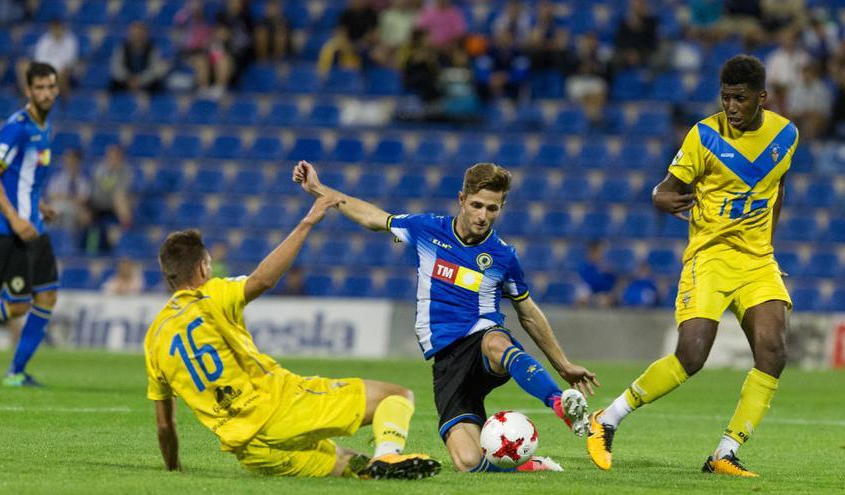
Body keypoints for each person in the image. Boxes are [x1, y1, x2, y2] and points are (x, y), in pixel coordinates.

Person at [293, 160, 599, 473]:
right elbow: (373, 217)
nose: (483, 216)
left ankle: (560, 404)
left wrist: (563, 364)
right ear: (461, 200)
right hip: (447, 362)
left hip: (481, 340)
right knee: (467, 462)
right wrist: (320, 190)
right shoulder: (427, 230)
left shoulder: (503, 256)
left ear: (501, 207)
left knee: (494, 341)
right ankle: (530, 466)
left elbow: (528, 312)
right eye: (477, 205)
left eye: (492, 209)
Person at [587, 55, 797, 477]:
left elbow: (779, 187)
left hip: (757, 262)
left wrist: (768, 247)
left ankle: (725, 452)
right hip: (710, 257)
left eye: (740, 99)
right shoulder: (704, 136)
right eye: (725, 99)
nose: (731, 107)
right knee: (692, 354)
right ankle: (606, 419)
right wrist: (660, 198)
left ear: (762, 98)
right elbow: (665, 189)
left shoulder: (786, 135)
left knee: (773, 352)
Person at [144, 196, 440, 479]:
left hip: (253, 452)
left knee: (356, 467)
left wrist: (174, 471)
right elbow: (263, 279)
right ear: (202, 268)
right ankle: (388, 453)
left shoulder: (154, 339)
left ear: (167, 275)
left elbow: (163, 424)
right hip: (281, 407)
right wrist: (307, 223)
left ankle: (376, 466)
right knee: (397, 396)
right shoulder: (211, 295)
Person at [0, 62, 61, 386]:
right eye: (40, 88)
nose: (46, 93)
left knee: (47, 296)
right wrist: (15, 216)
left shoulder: (45, 127)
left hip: (35, 226)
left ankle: (16, 373)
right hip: (11, 230)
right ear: (28, 90)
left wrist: (38, 206)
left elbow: (22, 179)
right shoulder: (17, 127)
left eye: (51, 86)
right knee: (17, 306)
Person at [83, 144, 133, 255]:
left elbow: (122, 189)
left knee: (120, 199)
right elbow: (95, 189)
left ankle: (126, 232)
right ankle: (89, 247)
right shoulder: (99, 169)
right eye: (110, 156)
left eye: (116, 156)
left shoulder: (125, 171)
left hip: (114, 204)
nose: (113, 159)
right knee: (84, 216)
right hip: (98, 203)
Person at [110, 21, 168, 93]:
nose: (137, 37)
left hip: (146, 81)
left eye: (140, 34)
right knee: (113, 85)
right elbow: (117, 67)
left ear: (145, 35)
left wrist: (140, 80)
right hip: (126, 81)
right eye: (134, 34)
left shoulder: (153, 49)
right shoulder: (122, 48)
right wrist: (128, 79)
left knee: (158, 85)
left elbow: (154, 69)